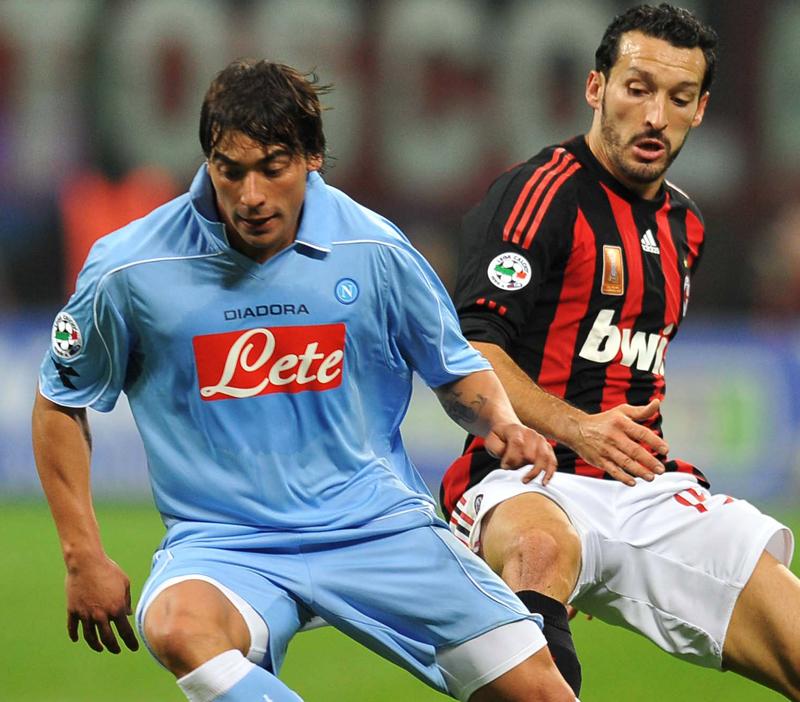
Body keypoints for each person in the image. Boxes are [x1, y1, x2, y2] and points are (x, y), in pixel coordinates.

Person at [32, 59, 579, 702]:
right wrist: (83, 555)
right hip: (227, 543)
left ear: (312, 157)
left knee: (541, 693)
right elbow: (59, 400)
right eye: (230, 170)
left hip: (378, 527)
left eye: (273, 167)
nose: (251, 195)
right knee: (177, 626)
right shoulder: (132, 267)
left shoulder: (374, 250)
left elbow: (455, 371)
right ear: (208, 160)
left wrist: (501, 423)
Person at [440, 4, 800, 700]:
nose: (656, 116)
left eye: (679, 98)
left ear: (701, 110)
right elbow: (472, 349)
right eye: (638, 88)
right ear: (595, 87)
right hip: (525, 479)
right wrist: (577, 428)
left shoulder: (685, 225)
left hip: (644, 491)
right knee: (542, 551)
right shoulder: (539, 195)